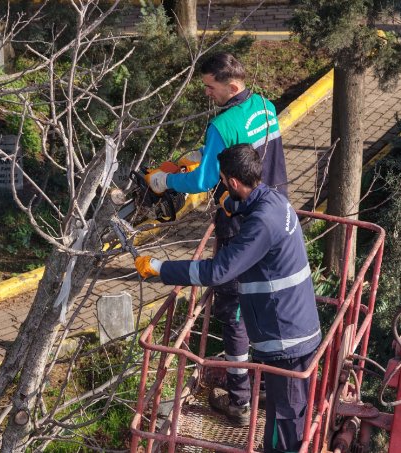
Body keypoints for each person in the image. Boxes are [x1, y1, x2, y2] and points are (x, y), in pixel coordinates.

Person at [136, 144, 319, 453]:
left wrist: (161, 268)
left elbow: (219, 270)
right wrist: (234, 205)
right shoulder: (274, 200)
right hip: (296, 324)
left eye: (222, 181)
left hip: (285, 340)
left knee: (284, 429)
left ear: (234, 182)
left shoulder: (261, 224)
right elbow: (250, 210)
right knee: (289, 413)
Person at [144, 52, 288, 422]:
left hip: (240, 223)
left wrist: (166, 179)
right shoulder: (266, 107)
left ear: (232, 85)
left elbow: (204, 180)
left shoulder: (222, 123)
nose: (207, 93)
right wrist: (195, 155)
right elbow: (237, 153)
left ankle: (240, 400)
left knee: (235, 311)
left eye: (211, 86)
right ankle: (277, 386)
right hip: (277, 214)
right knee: (270, 300)